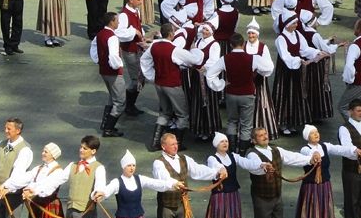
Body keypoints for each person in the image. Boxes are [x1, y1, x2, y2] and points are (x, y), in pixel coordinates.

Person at [245, 127, 316, 218]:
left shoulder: (276, 150)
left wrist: (309, 159)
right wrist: (262, 166)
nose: (265, 137)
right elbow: (253, 166)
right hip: (262, 196)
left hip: (276, 195)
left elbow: (292, 157)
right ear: (254, 141)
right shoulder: (252, 154)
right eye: (260, 136)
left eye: (265, 134)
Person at [201, 132, 266, 218]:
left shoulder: (233, 156)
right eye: (221, 142)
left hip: (232, 197)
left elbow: (247, 163)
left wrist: (262, 164)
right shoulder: (212, 158)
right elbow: (216, 166)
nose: (225, 144)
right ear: (216, 145)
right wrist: (221, 169)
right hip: (220, 198)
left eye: (226, 141)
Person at [295, 124, 360, 218]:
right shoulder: (305, 149)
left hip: (324, 186)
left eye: (317, 131)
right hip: (311, 188)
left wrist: (354, 151)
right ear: (307, 137)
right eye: (313, 133)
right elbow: (309, 154)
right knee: (312, 214)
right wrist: (315, 154)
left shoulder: (325, 146)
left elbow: (339, 149)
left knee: (324, 213)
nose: (316, 134)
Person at [205, 32, 274, 154]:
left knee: (232, 122)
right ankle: (243, 151)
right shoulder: (252, 58)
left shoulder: (225, 59)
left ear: (231, 45)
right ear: (243, 44)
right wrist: (258, 71)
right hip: (247, 94)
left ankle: (231, 150)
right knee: (246, 125)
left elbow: (210, 75)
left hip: (231, 94)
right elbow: (269, 67)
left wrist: (221, 83)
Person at [141, 23, 202, 152]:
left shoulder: (154, 46)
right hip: (173, 85)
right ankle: (177, 144)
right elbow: (194, 60)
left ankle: (155, 142)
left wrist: (152, 76)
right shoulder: (174, 49)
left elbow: (144, 60)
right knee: (182, 114)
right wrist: (195, 50)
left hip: (159, 84)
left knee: (164, 112)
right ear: (170, 34)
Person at [91, 12, 126, 138]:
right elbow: (113, 55)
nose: (118, 23)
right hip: (113, 73)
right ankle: (108, 128)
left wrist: (98, 60)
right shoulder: (112, 37)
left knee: (112, 97)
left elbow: (94, 48)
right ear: (111, 22)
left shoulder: (100, 34)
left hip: (104, 71)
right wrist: (118, 66)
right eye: (117, 20)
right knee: (120, 102)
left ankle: (105, 124)